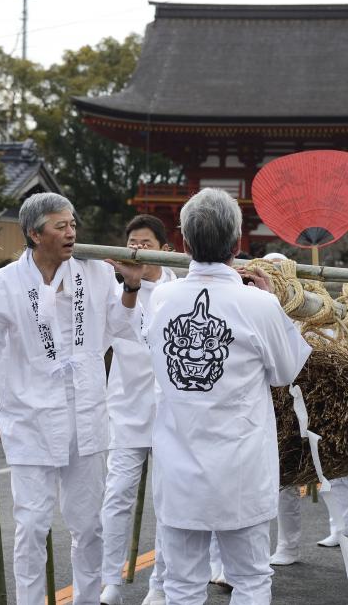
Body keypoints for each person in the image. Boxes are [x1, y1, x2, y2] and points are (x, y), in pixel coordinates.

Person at [0, 192, 144, 605]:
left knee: (88, 524)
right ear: (34, 234)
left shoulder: (93, 271)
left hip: (86, 416)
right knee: (32, 525)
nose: (72, 232)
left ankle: (87, 598)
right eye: (61, 226)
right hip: (31, 419)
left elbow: (121, 326)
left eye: (73, 224)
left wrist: (130, 285)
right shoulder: (4, 283)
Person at [143, 188, 311, 605]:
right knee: (251, 578)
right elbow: (288, 371)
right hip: (240, 464)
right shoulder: (257, 304)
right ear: (237, 244)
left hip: (179, 462)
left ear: (184, 243)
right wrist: (272, 302)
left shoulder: (162, 298)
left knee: (181, 583)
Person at [100, 215, 176, 605]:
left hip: (172, 414)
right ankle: (110, 579)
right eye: (131, 242)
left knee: (168, 501)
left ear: (164, 249)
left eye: (144, 243)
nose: (136, 250)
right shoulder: (114, 294)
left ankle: (160, 583)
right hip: (127, 408)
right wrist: (129, 286)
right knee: (117, 495)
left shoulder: (180, 290)